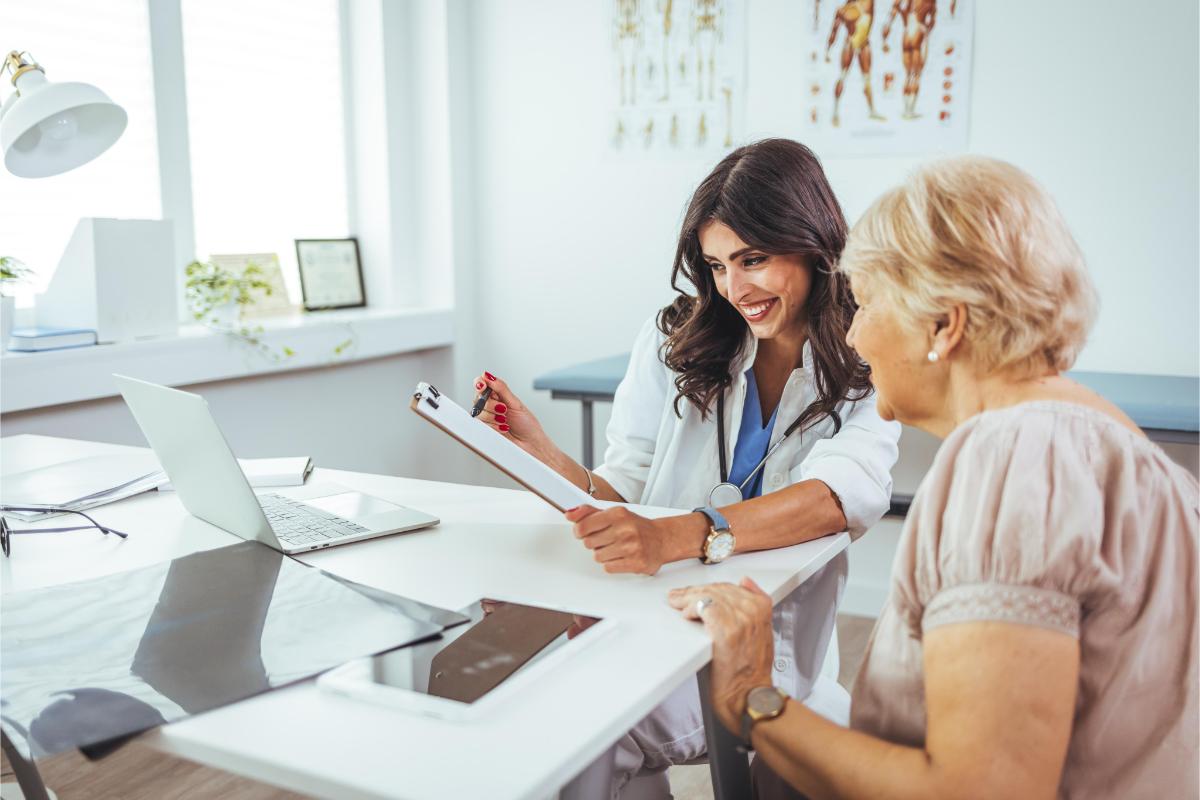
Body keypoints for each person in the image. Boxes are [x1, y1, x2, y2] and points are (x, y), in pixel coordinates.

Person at [669, 156, 1199, 798]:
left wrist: (752, 696)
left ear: (943, 325)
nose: (855, 336)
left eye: (865, 306)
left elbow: (978, 789)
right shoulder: (1105, 439)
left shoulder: (1012, 459)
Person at [472, 138, 900, 795]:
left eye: (753, 260)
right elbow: (625, 489)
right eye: (718, 265)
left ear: (812, 244)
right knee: (538, 697)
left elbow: (840, 497)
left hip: (765, 647)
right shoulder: (677, 339)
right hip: (650, 619)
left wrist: (674, 536)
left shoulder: (866, 348)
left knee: (592, 728)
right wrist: (541, 456)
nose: (735, 289)